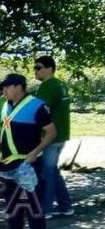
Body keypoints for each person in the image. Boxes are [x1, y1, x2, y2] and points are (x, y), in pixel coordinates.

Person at [0, 73, 56, 229]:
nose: (4, 90)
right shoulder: (5, 105)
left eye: (8, 87)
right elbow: (4, 129)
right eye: (3, 87)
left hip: (28, 164)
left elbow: (51, 133)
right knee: (12, 205)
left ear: (19, 88)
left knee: (33, 204)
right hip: (8, 164)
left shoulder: (37, 105)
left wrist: (34, 153)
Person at [34, 56, 73, 219]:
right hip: (61, 135)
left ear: (50, 68)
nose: (35, 71)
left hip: (50, 137)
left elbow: (38, 111)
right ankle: (66, 206)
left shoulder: (47, 86)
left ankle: (46, 210)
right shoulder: (60, 84)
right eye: (35, 68)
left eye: (38, 67)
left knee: (47, 173)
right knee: (53, 171)